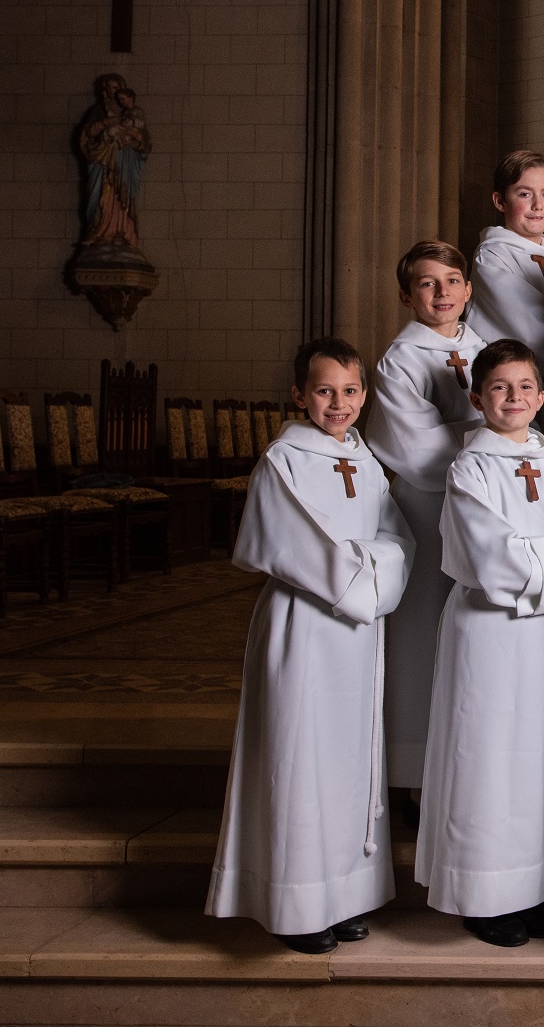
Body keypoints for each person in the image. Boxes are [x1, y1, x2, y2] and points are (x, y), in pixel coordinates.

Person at [206, 338, 414, 954]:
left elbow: (395, 537)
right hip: (302, 625)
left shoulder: (367, 460)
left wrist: (373, 578)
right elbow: (289, 543)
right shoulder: (283, 460)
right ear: (300, 395)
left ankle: (343, 895)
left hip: (356, 629)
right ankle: (295, 903)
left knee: (349, 762)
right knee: (299, 760)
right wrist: (364, 580)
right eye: (325, 391)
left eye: (350, 391)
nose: (339, 403)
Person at [416, 340, 544, 948]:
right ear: (476, 397)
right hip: (489, 628)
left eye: (524, 388)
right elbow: (491, 556)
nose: (513, 398)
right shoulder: (469, 468)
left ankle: (531, 885)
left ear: (541, 399)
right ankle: (484, 894)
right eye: (499, 388)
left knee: (540, 759)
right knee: (487, 756)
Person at [363, 242, 487, 792]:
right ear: (405, 294)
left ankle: (465, 767)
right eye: (427, 283)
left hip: (483, 509)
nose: (442, 293)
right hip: (427, 505)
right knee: (422, 635)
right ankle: (413, 774)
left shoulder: (481, 347)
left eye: (452, 281)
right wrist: (491, 439)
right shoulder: (401, 359)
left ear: (467, 288)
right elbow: (419, 452)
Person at [469, 151, 544, 381]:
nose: (538, 205)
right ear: (500, 201)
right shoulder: (491, 257)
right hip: (514, 386)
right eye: (525, 194)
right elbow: (533, 333)